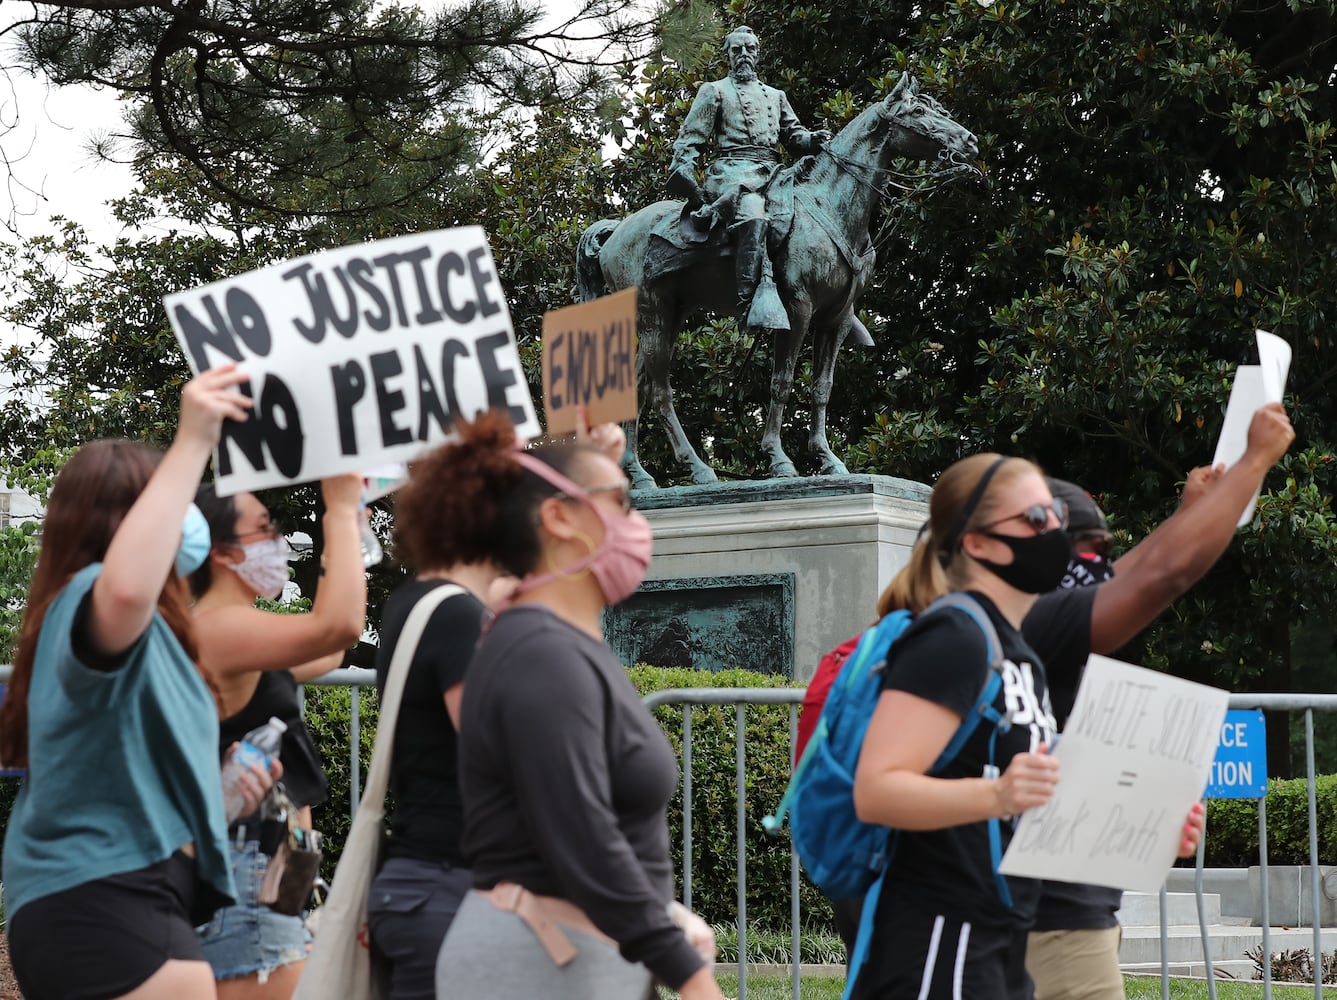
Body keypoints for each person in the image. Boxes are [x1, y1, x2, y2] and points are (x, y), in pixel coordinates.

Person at [849, 453, 1206, 999]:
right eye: (1035, 520)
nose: (1055, 534)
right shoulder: (953, 637)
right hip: (939, 939)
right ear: (978, 542)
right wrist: (996, 793)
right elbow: (876, 790)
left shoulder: (1016, 652)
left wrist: (1153, 824)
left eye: (1054, 518)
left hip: (1000, 937)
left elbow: (1037, 799)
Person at [0, 366, 280, 1000]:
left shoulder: (143, 639)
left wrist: (219, 792)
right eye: (173, 503)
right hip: (110, 903)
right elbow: (126, 585)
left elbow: (120, 782)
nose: (191, 519)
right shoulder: (89, 599)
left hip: (121, 901)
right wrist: (193, 441)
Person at [430, 411, 722, 1000]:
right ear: (559, 516)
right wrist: (689, 977)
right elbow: (582, 834)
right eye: (620, 497)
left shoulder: (549, 644)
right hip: (541, 962)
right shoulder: (540, 654)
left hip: (571, 957)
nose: (636, 519)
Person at [1022, 402, 1294, 1000]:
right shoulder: (1031, 621)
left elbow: (1132, 575)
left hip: (1070, 907)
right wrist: (1255, 461)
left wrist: (1150, 814)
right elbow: (1158, 576)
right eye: (1085, 550)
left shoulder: (1025, 621)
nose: (1098, 566)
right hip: (1052, 918)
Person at [189, 474, 366, 999]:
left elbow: (330, 651)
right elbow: (337, 628)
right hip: (246, 887)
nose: (278, 542)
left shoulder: (244, 632)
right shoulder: (214, 631)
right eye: (264, 530)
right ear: (221, 552)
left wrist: (352, 529)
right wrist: (337, 507)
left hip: (271, 879)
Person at [668, 24, 830, 328]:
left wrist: (813, 139)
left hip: (775, 174)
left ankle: (834, 298)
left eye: (749, 49)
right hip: (733, 172)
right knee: (755, 217)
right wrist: (684, 168)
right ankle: (749, 301)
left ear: (758, 53)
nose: (743, 54)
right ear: (728, 55)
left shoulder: (776, 95)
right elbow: (691, 138)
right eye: (737, 49)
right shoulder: (714, 91)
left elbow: (794, 137)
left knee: (814, 217)